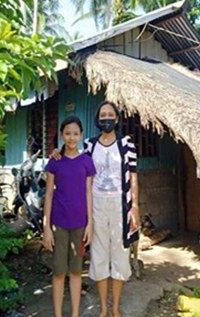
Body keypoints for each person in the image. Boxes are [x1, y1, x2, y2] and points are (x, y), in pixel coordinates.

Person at [52, 101, 140, 317]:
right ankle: (102, 308)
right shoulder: (90, 145)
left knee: (120, 254)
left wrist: (135, 206)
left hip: (121, 206)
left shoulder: (127, 144)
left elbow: (134, 176)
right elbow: (73, 158)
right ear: (97, 120)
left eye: (111, 114)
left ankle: (116, 308)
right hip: (96, 206)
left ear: (117, 119)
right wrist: (56, 152)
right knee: (99, 255)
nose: (107, 118)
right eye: (103, 115)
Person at [43, 115, 96, 317]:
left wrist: (90, 224)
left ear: (81, 135)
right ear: (61, 135)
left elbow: (88, 193)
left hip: (80, 225)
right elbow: (48, 194)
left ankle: (74, 314)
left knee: (75, 272)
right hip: (59, 224)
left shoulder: (86, 162)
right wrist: (46, 227)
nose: (71, 138)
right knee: (58, 272)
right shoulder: (55, 161)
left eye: (75, 134)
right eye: (67, 133)